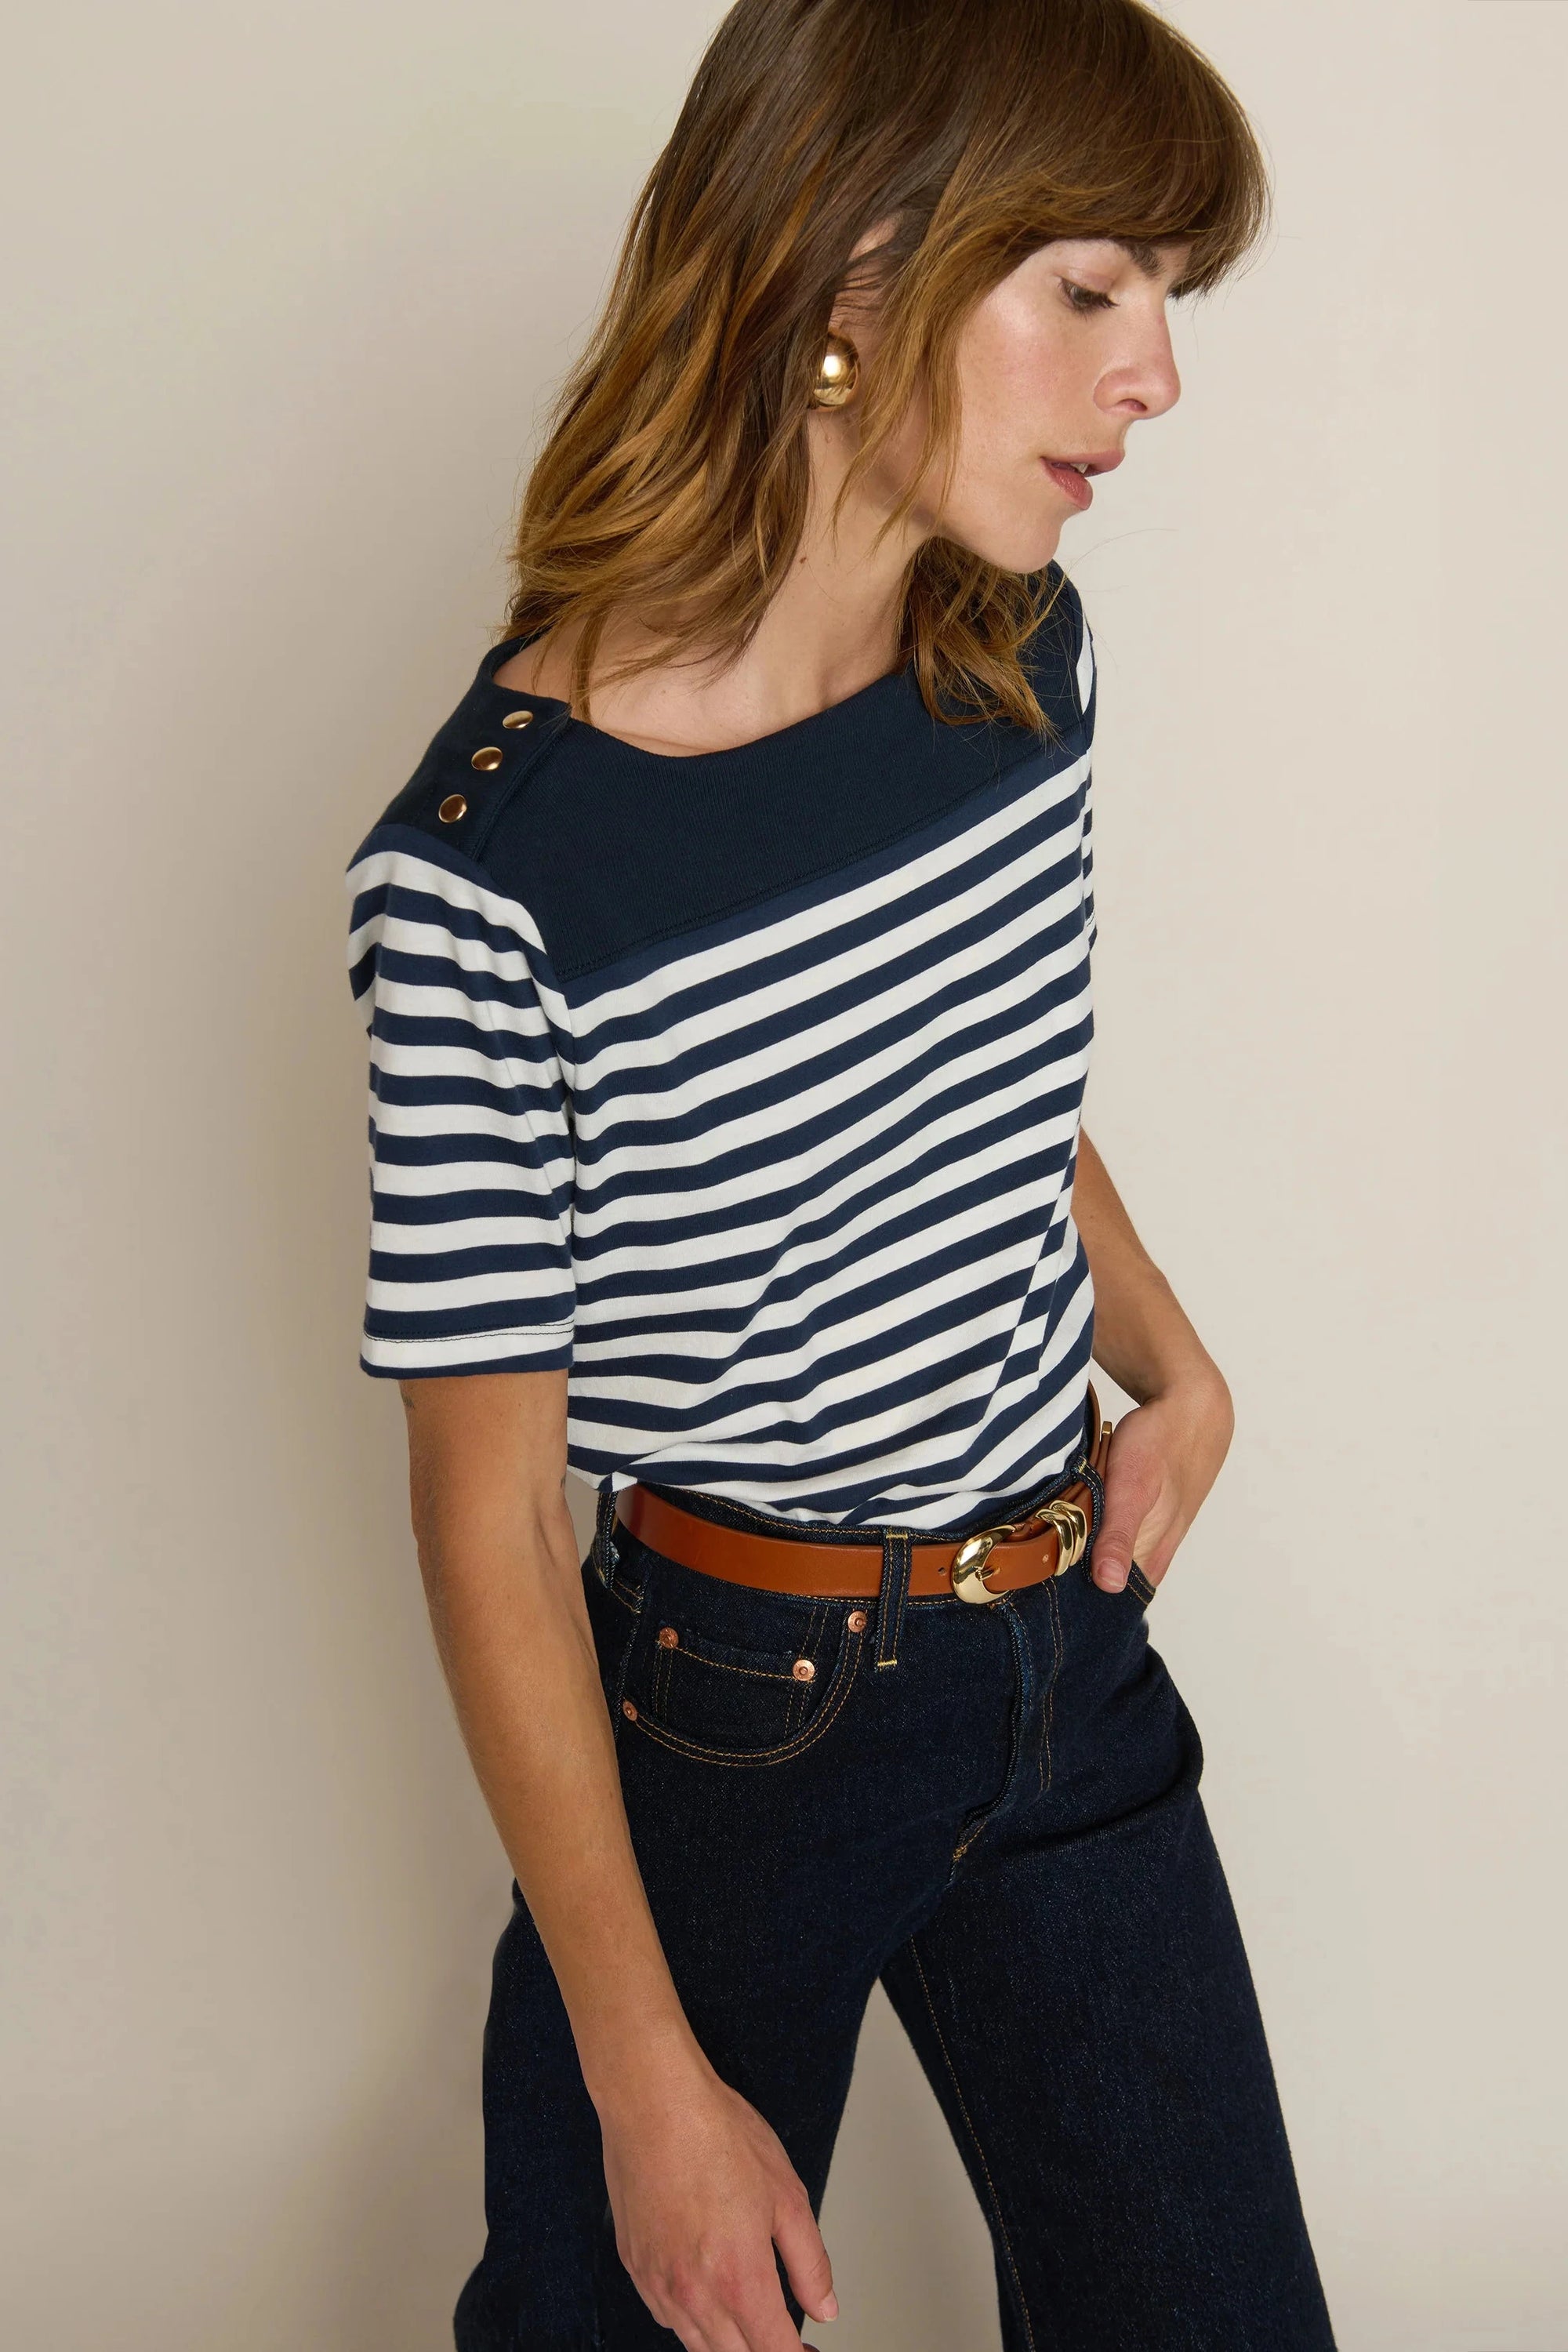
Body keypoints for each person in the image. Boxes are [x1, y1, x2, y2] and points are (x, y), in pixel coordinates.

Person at [343, 1, 1336, 2344]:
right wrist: (647, 2073)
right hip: (735, 1729)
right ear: (856, 275)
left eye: (1164, 300)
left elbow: (982, 1095)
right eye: (1092, 289)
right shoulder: (500, 882)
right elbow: (487, 1511)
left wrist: (1175, 1371)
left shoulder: (1016, 668)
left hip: (1063, 1670)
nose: (1157, 379)